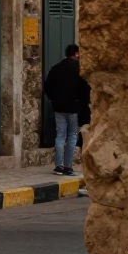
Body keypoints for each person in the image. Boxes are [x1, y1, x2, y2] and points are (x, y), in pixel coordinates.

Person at [44, 43, 89, 176]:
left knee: (60, 135)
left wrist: (54, 99)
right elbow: (85, 90)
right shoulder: (80, 69)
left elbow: (47, 88)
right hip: (74, 108)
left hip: (58, 107)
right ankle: (68, 166)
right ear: (76, 54)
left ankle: (59, 165)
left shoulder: (55, 68)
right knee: (72, 136)